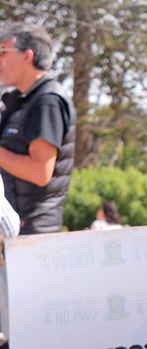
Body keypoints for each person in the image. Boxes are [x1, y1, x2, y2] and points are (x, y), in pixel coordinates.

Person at [0, 23, 76, 235]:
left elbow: (40, 172)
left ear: (27, 56)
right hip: (19, 232)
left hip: (35, 235)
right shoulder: (19, 101)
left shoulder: (47, 101)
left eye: (3, 52)